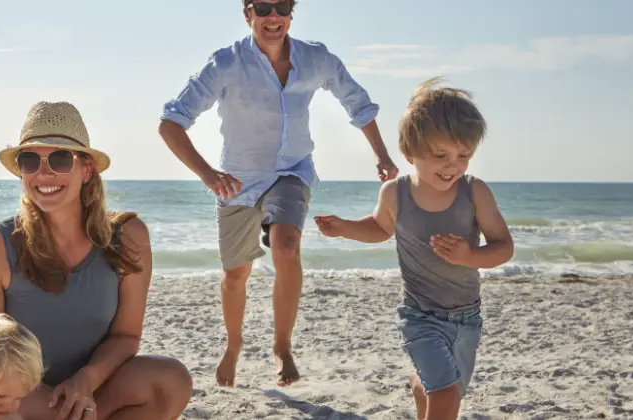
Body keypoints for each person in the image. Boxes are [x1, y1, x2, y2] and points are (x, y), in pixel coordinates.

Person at [156, 0, 398, 387]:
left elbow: (359, 104)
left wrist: (383, 155)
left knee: (286, 248)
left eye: (282, 7)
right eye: (264, 7)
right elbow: (171, 123)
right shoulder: (225, 63)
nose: (274, 17)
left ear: (291, 13)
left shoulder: (316, 59)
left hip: (292, 172)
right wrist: (207, 174)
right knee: (236, 275)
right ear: (247, 14)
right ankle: (233, 346)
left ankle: (281, 347)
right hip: (236, 181)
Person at [0, 101, 193, 420]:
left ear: (86, 169)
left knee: (171, 381)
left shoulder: (129, 236)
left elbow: (126, 337)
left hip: (92, 387)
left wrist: (85, 381)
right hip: (18, 396)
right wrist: (60, 403)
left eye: (59, 159)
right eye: (30, 160)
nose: (44, 173)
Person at [314, 77, 514, 420]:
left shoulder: (474, 192)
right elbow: (379, 228)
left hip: (466, 318)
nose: (453, 165)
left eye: (463, 155)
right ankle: (428, 382)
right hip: (418, 316)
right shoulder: (396, 193)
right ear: (410, 152)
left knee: (441, 390)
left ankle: (422, 382)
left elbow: (504, 247)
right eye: (441, 155)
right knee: (447, 396)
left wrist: (470, 256)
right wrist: (345, 228)